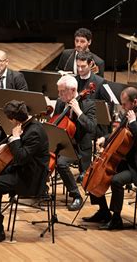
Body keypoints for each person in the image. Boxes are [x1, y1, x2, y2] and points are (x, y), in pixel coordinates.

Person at [0, 100, 50, 244]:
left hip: (31, 177)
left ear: (13, 119)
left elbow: (22, 157)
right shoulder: (25, 125)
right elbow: (20, 150)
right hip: (22, 170)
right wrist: (7, 145)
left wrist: (15, 139)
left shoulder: (35, 132)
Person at [83, 87, 137, 229]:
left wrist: (134, 123)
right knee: (95, 173)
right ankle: (103, 212)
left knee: (116, 180)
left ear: (135, 102)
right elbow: (118, 134)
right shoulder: (126, 115)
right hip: (121, 161)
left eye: (124, 104)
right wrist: (105, 138)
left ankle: (116, 219)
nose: (122, 107)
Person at [53, 74, 96, 211]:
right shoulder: (60, 103)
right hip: (63, 143)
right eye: (58, 91)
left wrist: (78, 111)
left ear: (72, 90)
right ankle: (40, 188)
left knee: (61, 163)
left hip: (79, 148)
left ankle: (76, 195)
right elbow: (56, 124)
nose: (59, 95)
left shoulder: (88, 105)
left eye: (61, 92)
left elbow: (91, 128)